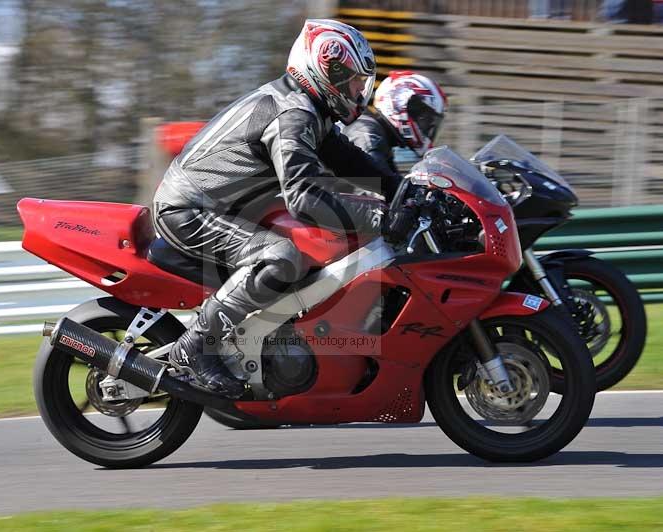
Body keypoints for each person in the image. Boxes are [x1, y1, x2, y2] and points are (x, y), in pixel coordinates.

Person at [153, 19, 415, 398]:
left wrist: (402, 189)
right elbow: (303, 196)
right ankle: (194, 347)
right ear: (326, 72)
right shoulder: (293, 114)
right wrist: (382, 218)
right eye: (352, 82)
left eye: (362, 83)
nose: (358, 92)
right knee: (280, 257)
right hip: (190, 209)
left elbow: (348, 159)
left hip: (225, 206)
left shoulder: (309, 109)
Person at [341, 70, 448, 177]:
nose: (428, 127)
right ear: (401, 104)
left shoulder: (381, 137)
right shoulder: (368, 134)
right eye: (425, 119)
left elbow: (391, 182)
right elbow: (374, 181)